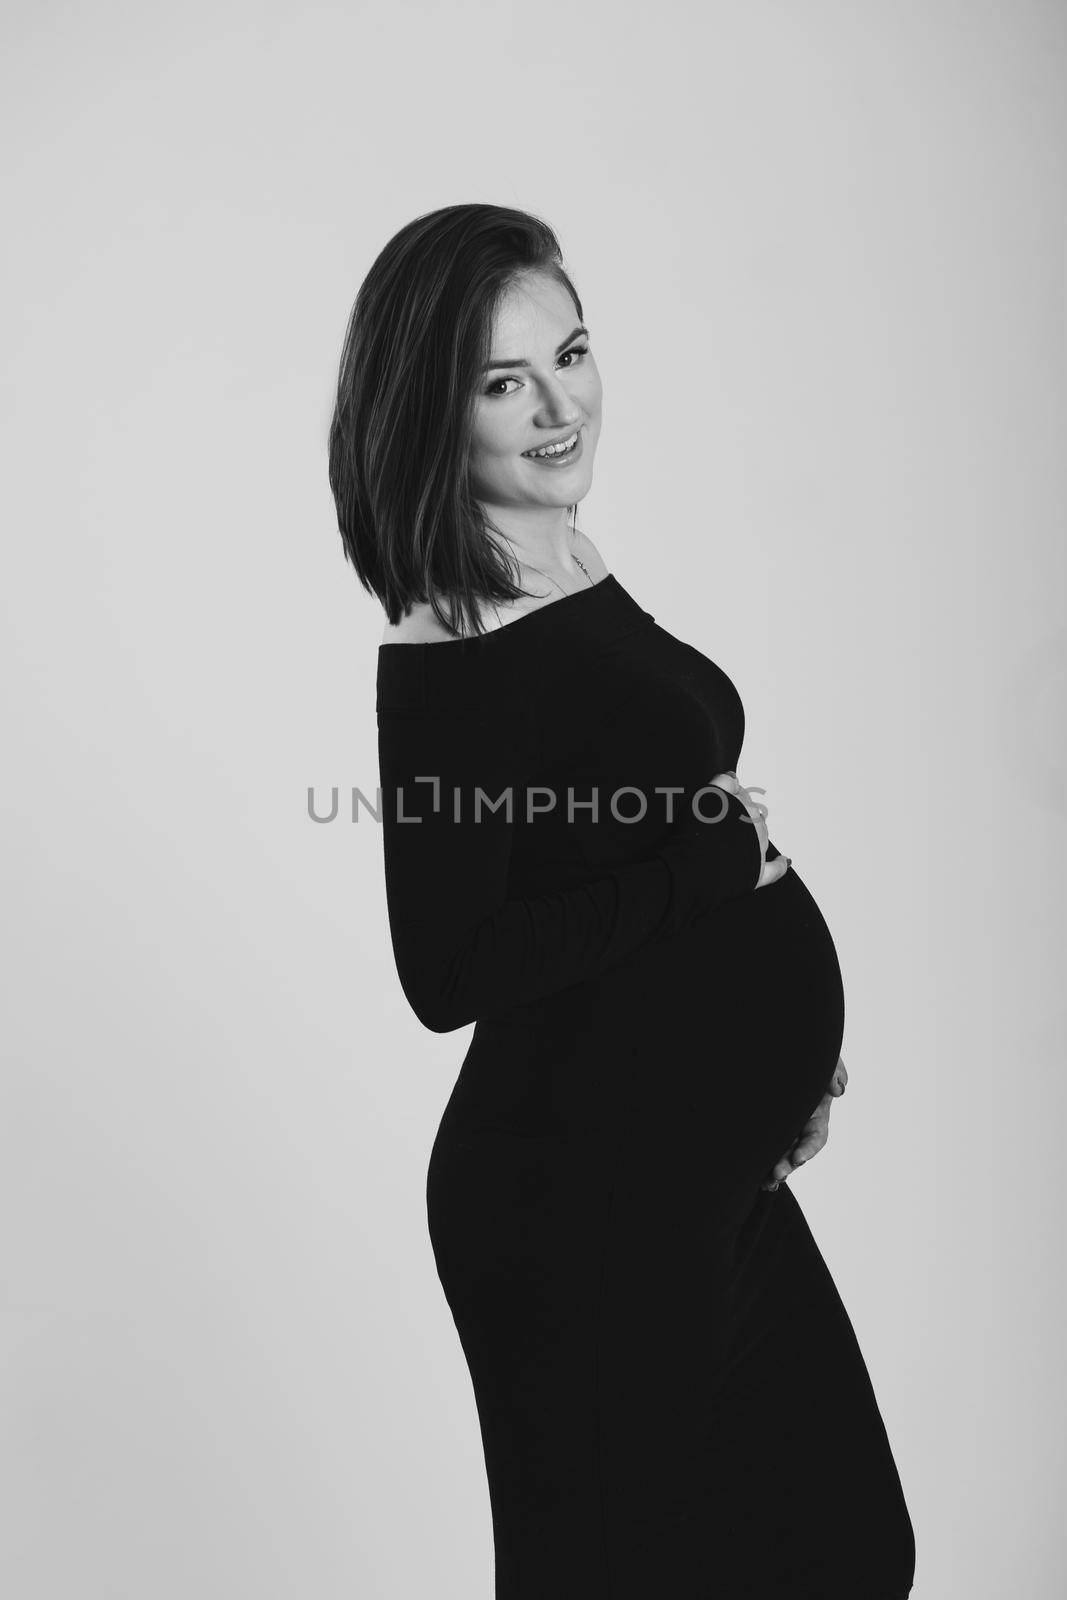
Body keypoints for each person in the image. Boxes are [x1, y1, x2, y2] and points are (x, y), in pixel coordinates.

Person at [328, 202, 916, 1598]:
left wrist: (767, 1060)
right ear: (431, 410)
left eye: (571, 354)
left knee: (843, 1545)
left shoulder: (567, 559)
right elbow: (448, 965)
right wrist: (711, 872)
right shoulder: (449, 643)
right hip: (574, 1207)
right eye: (502, 381)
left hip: (693, 1163)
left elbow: (599, 853)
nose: (557, 406)